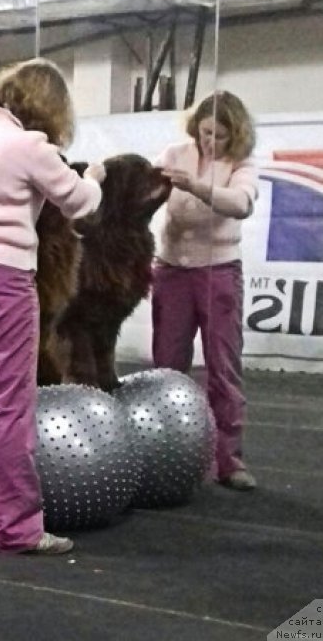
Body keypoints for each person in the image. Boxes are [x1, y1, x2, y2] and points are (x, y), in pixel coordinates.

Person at [0, 57, 106, 553]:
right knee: (9, 405)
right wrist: (93, 175)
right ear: (50, 107)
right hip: (3, 279)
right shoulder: (31, 146)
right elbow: (82, 204)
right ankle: (18, 528)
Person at [151, 90, 258, 491]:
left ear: (236, 135)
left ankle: (228, 461)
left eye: (221, 136)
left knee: (223, 369)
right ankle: (160, 454)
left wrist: (196, 186)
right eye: (206, 131)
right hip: (172, 271)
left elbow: (241, 203)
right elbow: (145, 184)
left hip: (219, 274)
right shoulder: (175, 153)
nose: (210, 142)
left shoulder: (242, 165)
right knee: (165, 370)